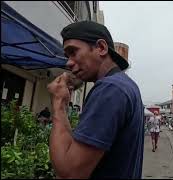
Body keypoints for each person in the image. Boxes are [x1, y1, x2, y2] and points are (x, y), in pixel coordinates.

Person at [47, 21, 144, 179]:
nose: (68, 62)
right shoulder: (125, 86)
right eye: (67, 56)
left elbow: (69, 173)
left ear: (101, 48)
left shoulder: (109, 90)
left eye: (73, 52)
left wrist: (58, 103)